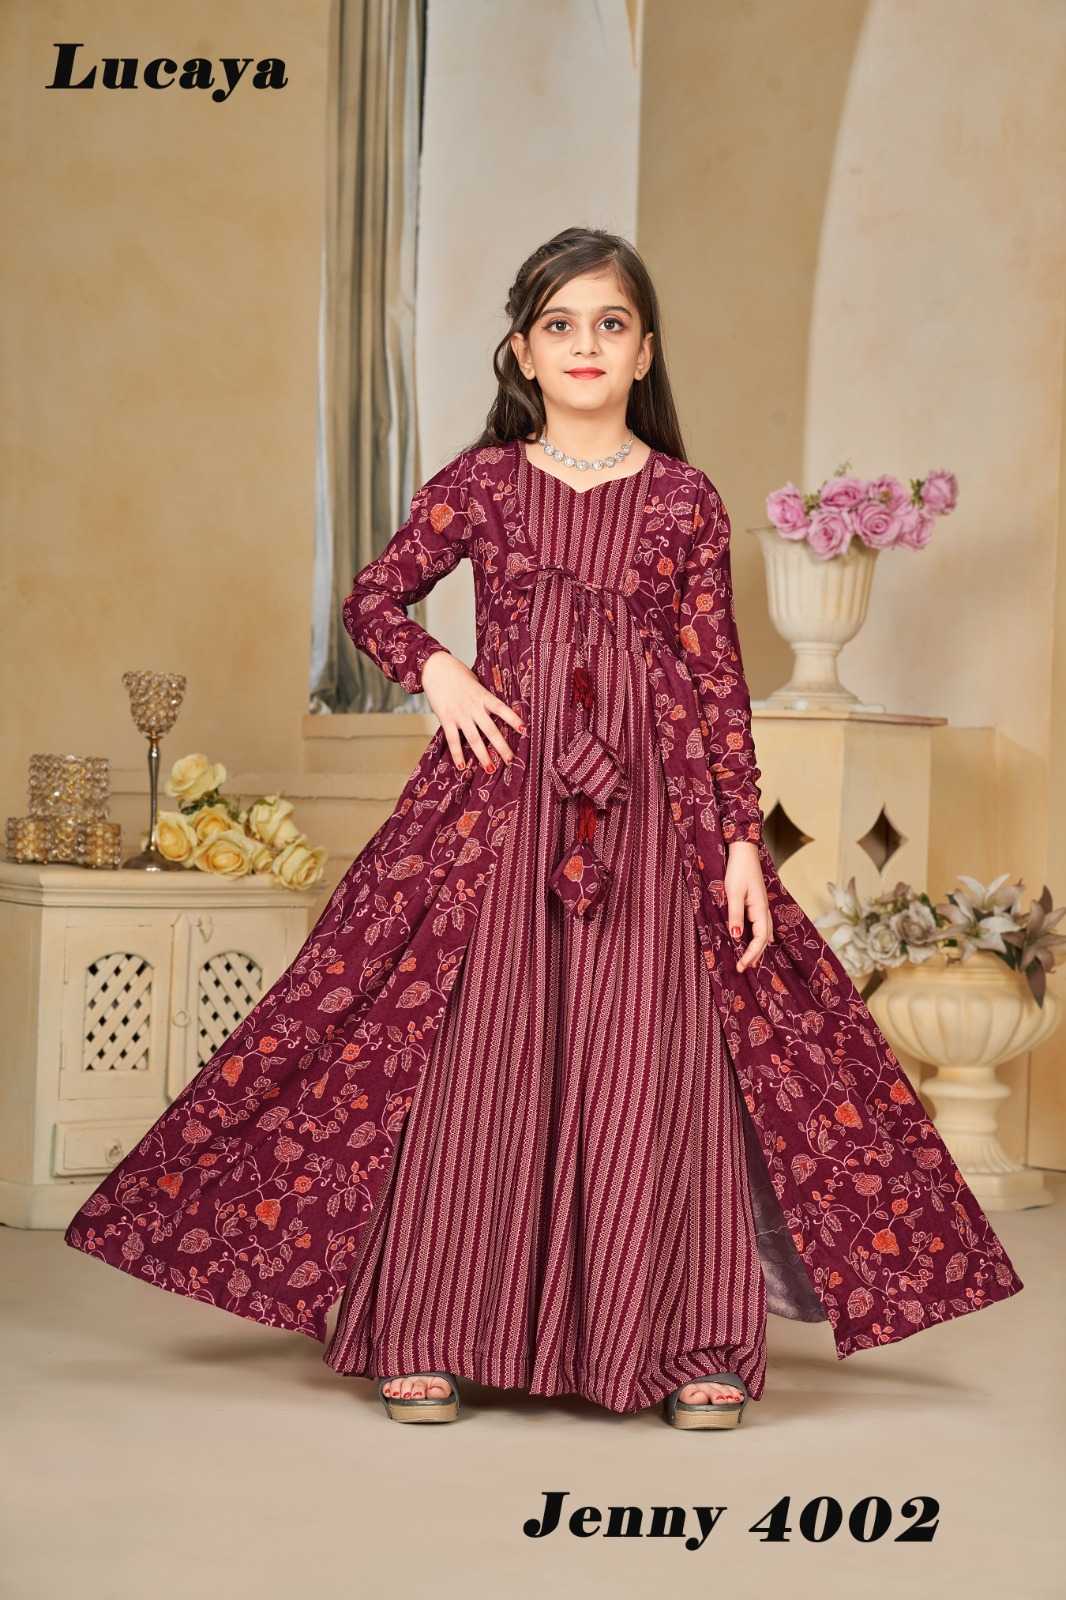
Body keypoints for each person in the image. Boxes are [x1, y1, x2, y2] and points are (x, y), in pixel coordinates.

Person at [64, 227, 1023, 1430]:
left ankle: (684, 1338)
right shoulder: (480, 483)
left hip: (657, 817)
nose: (585, 345)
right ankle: (431, 1326)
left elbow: (718, 682)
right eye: (560, 325)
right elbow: (374, 596)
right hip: (496, 806)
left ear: (645, 351)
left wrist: (738, 839)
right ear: (523, 350)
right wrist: (440, 672)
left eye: (609, 325)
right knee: (478, 1050)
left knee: (655, 1058)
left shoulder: (685, 500)